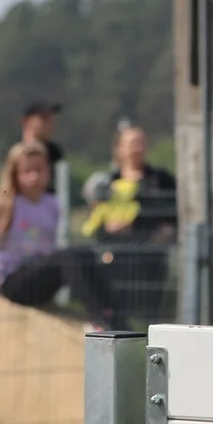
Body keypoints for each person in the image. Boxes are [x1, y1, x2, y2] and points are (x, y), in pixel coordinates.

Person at [0, 141, 125, 331]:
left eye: (40, 169)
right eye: (27, 171)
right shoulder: (7, 206)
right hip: (13, 281)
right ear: (15, 174)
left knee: (83, 254)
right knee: (66, 257)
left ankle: (113, 316)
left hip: (39, 272)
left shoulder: (52, 204)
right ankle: (96, 319)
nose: (34, 176)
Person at [80, 126, 177, 325]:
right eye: (132, 144)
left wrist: (137, 222)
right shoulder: (106, 183)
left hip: (152, 258)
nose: (138, 148)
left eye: (141, 143)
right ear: (119, 149)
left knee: (151, 313)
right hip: (116, 259)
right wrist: (109, 228)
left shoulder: (162, 180)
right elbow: (95, 221)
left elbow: (173, 215)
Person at [19, 101, 65, 194]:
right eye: (44, 118)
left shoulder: (54, 152)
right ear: (26, 121)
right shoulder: (17, 152)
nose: (49, 123)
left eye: (51, 119)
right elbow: (6, 187)